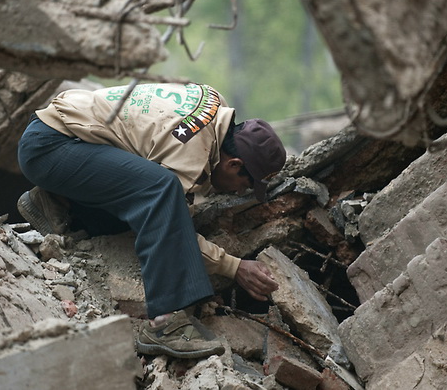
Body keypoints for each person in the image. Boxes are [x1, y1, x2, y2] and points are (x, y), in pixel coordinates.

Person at [16, 82, 286, 359]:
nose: (240, 192)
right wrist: (234, 266)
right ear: (234, 164)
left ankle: (60, 204)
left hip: (63, 138)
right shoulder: (192, 153)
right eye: (245, 184)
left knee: (135, 215)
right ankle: (164, 323)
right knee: (160, 191)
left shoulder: (214, 104)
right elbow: (171, 229)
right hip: (52, 147)